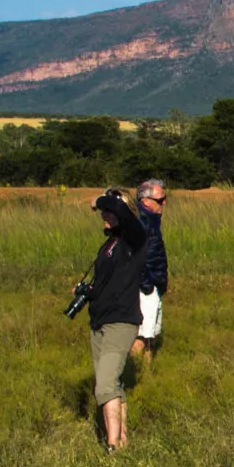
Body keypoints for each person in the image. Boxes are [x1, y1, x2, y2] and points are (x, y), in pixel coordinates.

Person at [84, 188, 149, 449]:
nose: (105, 214)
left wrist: (99, 199)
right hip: (100, 321)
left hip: (120, 322)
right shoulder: (110, 243)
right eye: (103, 211)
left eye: (110, 210)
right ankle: (122, 441)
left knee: (105, 385)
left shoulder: (136, 236)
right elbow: (106, 281)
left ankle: (110, 445)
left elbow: (121, 209)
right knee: (114, 384)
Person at [131, 179, 169, 358]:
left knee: (151, 335)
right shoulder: (141, 220)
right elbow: (136, 256)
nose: (164, 203)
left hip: (154, 284)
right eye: (160, 200)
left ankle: (147, 376)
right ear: (145, 201)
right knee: (142, 336)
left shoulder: (152, 219)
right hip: (146, 287)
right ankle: (124, 372)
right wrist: (147, 284)